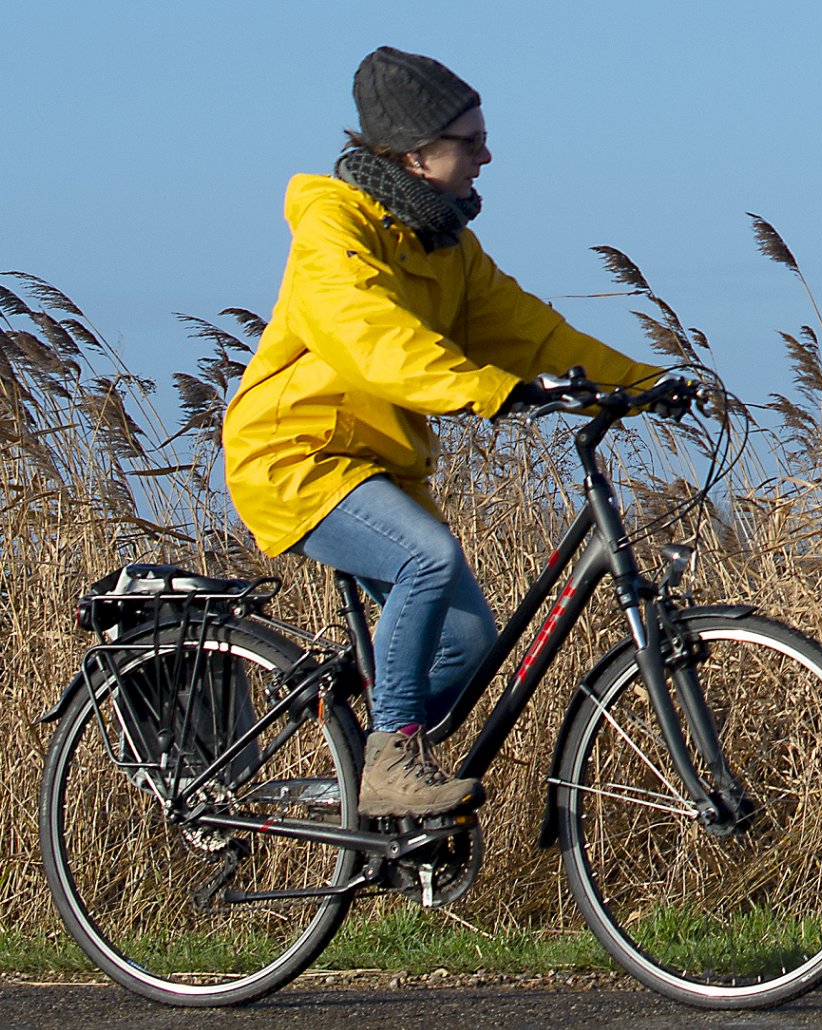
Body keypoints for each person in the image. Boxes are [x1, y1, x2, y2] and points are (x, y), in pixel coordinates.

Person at [222, 45, 663, 819]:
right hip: (297, 455)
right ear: (415, 154)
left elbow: (532, 333)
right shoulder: (335, 226)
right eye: (469, 140)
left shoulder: (448, 246)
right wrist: (485, 390)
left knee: (463, 649)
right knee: (429, 558)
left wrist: (647, 384)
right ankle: (391, 759)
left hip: (379, 468)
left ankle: (350, 769)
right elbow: (368, 335)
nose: (487, 154)